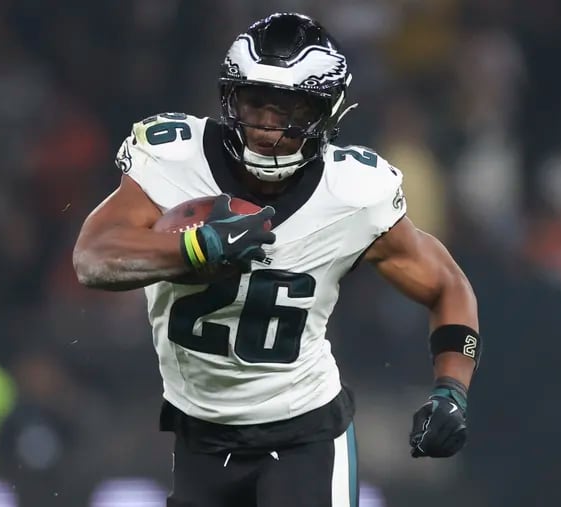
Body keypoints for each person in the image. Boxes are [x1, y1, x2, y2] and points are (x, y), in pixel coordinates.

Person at [73, 12, 481, 507]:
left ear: (324, 113)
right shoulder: (173, 161)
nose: (267, 127)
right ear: (229, 98)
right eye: (255, 103)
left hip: (303, 436)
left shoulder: (353, 192)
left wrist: (451, 391)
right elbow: (92, 258)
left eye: (288, 110)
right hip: (199, 436)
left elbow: (447, 286)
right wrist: (194, 248)